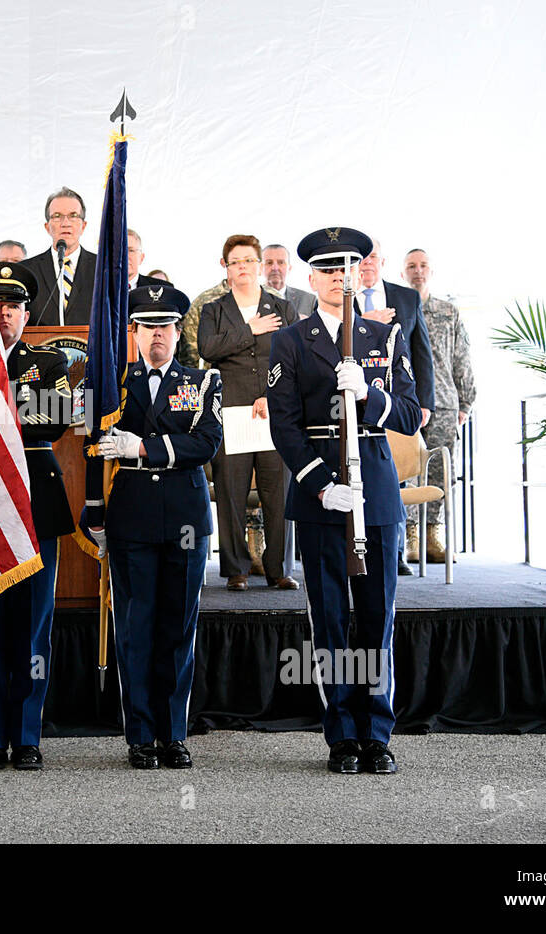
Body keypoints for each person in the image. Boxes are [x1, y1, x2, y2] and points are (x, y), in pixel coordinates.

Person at [266, 227, 422, 775]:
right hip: (322, 496)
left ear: (360, 274)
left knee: (377, 618)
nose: (339, 278)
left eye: (348, 268)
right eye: (329, 270)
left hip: (375, 493)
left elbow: (410, 414)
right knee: (330, 619)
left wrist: (370, 395)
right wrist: (319, 484)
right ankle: (341, 737)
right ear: (312, 279)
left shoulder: (386, 337)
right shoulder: (289, 340)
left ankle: (377, 734)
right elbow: (284, 426)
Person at [82, 285, 223, 771]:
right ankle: (140, 735)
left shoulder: (202, 382)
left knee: (177, 629)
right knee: (135, 628)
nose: (157, 334)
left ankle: (174, 733)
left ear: (178, 330)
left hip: (185, 517)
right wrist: (94, 506)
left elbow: (206, 443)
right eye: (147, 326)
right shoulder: (113, 382)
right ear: (135, 332)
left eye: (165, 325)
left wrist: (142, 448)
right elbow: (92, 444)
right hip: (133, 515)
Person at [0, 262, 74, 772]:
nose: (5, 314)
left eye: (14, 306)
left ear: (27, 314)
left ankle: (27, 736)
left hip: (34, 502)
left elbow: (58, 416)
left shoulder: (46, 362)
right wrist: (11, 409)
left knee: (33, 627)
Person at [197, 235, 299, 590]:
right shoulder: (214, 310)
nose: (242, 267)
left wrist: (273, 395)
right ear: (225, 268)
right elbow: (208, 349)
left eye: (248, 260)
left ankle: (279, 568)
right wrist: (248, 330)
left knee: (278, 493)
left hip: (273, 412)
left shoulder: (282, 308)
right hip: (232, 411)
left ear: (260, 265)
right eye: (235, 261)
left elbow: (291, 358)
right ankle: (236, 568)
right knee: (231, 491)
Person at [358, 238, 435, 575]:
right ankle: (360, 548)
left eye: (373, 256)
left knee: (398, 477)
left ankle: (397, 552)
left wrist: (424, 402)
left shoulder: (406, 298)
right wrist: (365, 320)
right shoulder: (340, 300)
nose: (367, 263)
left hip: (399, 401)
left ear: (383, 261)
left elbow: (423, 353)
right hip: (358, 402)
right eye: (361, 258)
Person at [401, 248, 476, 562]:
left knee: (442, 472)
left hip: (444, 402)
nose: (418, 271)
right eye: (411, 266)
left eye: (423, 265)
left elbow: (462, 357)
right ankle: (410, 538)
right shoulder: (398, 307)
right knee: (406, 471)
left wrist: (466, 401)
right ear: (403, 273)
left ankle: (434, 536)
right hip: (406, 402)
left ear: (432, 270)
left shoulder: (448, 311)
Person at [20, 187, 97, 326]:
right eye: (57, 216)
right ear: (47, 227)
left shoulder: (102, 268)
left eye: (73, 216)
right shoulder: (27, 271)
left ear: (83, 226)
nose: (65, 223)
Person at [261, 243, 316, 318]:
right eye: (269, 263)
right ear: (260, 268)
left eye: (281, 262)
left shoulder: (308, 300)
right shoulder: (247, 298)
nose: (275, 267)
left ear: (289, 268)